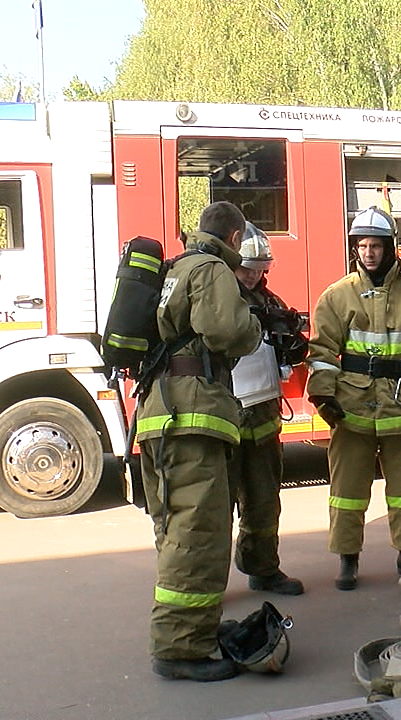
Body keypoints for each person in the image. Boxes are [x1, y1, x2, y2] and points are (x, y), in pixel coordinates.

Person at [136, 201, 263, 682]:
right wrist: (252, 326)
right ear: (234, 240)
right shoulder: (211, 269)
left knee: (175, 530)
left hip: (159, 413)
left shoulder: (174, 269)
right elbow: (229, 330)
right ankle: (181, 650)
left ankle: (187, 632)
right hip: (190, 415)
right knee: (199, 534)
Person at [307, 206, 401, 591]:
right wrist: (323, 397)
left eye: (376, 245)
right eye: (362, 245)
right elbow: (321, 352)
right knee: (347, 492)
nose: (368, 252)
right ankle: (348, 559)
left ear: (391, 248)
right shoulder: (337, 296)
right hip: (351, 410)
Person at [228, 222, 306, 597]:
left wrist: (291, 341)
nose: (255, 276)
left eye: (261, 269)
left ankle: (263, 568)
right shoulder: (215, 298)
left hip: (262, 414)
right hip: (223, 413)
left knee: (263, 500)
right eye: (247, 269)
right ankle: (203, 586)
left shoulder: (267, 299)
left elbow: (287, 347)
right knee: (212, 509)